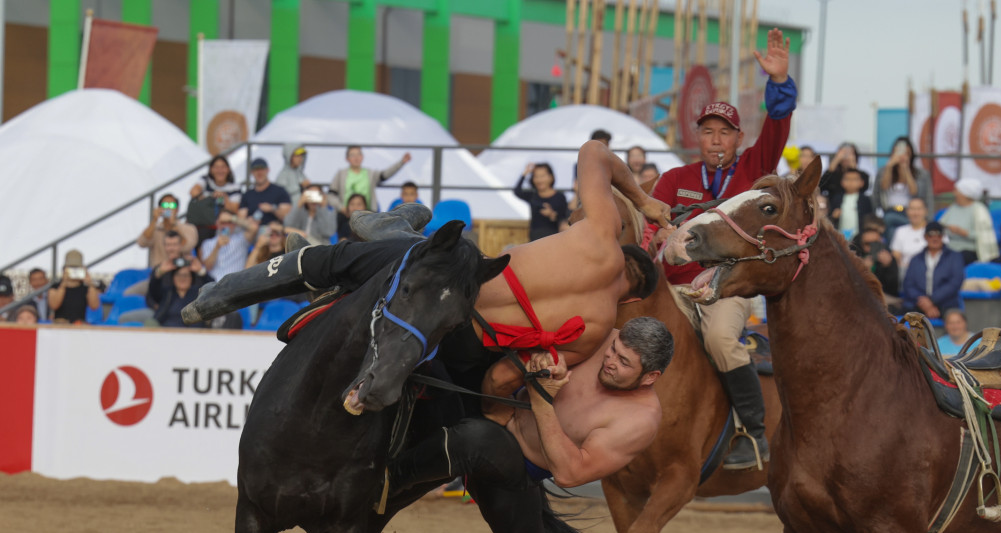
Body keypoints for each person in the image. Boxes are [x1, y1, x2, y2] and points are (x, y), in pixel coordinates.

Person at [183, 139, 674, 411]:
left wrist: (643, 198)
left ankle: (379, 236)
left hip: (449, 272)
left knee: (353, 264)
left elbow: (592, 151)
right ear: (633, 299)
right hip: (453, 331)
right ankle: (374, 243)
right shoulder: (596, 330)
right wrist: (495, 412)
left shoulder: (602, 233)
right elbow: (504, 378)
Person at [645, 27, 795, 470]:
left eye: (724, 132)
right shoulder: (674, 179)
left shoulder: (755, 168)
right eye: (707, 131)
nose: (715, 139)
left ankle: (753, 433)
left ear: (737, 138)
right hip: (672, 286)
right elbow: (651, 230)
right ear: (698, 138)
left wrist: (780, 85)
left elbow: (778, 124)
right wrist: (654, 237)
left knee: (721, 340)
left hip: (725, 288)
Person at [392, 318, 672, 494]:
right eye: (613, 350)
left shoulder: (640, 421)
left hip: (520, 459)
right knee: (444, 362)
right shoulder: (606, 337)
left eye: (624, 363)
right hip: (505, 403)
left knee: (475, 438)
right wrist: (547, 357)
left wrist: (542, 401)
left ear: (650, 377)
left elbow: (569, 474)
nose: (610, 361)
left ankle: (392, 479)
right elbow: (550, 344)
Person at [873, 136, 934, 241]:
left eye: (906, 153)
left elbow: (915, 192)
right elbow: (883, 187)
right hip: (889, 210)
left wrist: (905, 169)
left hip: (910, 213)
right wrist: (890, 165)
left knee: (889, 221)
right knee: (890, 226)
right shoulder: (883, 171)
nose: (902, 156)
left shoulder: (921, 174)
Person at [900, 221, 965, 318]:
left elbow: (955, 282)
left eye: (938, 235)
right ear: (925, 237)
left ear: (942, 237)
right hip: (919, 304)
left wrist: (931, 300)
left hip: (946, 303)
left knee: (954, 318)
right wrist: (922, 300)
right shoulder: (916, 259)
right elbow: (908, 284)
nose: (935, 238)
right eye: (931, 235)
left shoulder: (954, 257)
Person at [329, 146, 411, 213]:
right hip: (346, 215)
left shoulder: (370, 174)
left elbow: (385, 174)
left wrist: (401, 162)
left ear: (362, 157)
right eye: (352, 155)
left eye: (358, 154)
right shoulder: (341, 174)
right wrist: (341, 208)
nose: (356, 158)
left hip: (368, 214)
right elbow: (331, 195)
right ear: (347, 159)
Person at [940, 178, 999, 265]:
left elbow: (984, 236)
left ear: (965, 193)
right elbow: (941, 224)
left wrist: (964, 233)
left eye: (956, 191)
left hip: (970, 250)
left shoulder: (979, 210)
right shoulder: (954, 207)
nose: (954, 193)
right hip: (949, 247)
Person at [188, 155, 243, 243]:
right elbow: (193, 191)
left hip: (224, 224)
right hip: (204, 223)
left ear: (228, 169)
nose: (220, 170)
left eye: (223, 167)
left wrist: (224, 198)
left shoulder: (235, 188)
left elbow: (235, 209)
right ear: (211, 169)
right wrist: (210, 196)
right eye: (216, 167)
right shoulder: (205, 180)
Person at [148, 255, 213, 328]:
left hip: (194, 334)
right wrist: (160, 271)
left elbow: (214, 291)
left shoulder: (198, 294)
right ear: (173, 278)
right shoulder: (167, 293)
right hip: (167, 333)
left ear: (192, 278)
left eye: (186, 275)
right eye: (178, 275)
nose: (182, 278)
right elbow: (153, 289)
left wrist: (201, 271)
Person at [137, 193, 199, 267]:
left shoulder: (189, 228)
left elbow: (186, 247)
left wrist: (173, 225)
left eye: (172, 205)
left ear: (177, 209)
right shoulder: (155, 229)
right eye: (165, 205)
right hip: (160, 272)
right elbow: (142, 242)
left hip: (182, 271)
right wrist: (154, 220)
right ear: (159, 208)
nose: (168, 208)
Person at [513, 163, 570, 241]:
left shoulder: (560, 197)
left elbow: (564, 218)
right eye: (536, 176)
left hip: (553, 237)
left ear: (551, 177)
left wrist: (552, 215)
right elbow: (517, 191)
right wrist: (525, 173)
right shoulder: (533, 196)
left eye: (542, 176)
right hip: (535, 238)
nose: (539, 180)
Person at [851, 217, 899, 307]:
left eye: (875, 243)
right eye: (867, 244)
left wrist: (888, 267)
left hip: (883, 298)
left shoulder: (887, 256)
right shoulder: (852, 256)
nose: (871, 247)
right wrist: (862, 270)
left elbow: (893, 290)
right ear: (861, 243)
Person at [200, 209, 257, 281]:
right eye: (222, 222)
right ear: (217, 223)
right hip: (215, 284)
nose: (225, 225)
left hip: (236, 282)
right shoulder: (208, 243)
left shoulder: (241, 239)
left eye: (229, 222)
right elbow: (208, 267)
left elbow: (254, 228)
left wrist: (232, 218)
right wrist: (217, 247)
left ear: (234, 224)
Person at [47, 250, 101, 324]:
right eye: (71, 268)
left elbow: (94, 306)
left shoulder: (85, 288)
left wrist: (90, 284)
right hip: (60, 325)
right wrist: (63, 284)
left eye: (77, 269)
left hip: (79, 326)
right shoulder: (56, 286)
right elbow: (54, 305)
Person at [240, 158, 293, 227]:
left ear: (268, 170)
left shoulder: (279, 191)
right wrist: (248, 221)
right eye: (256, 170)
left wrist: (272, 209)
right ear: (252, 172)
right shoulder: (247, 195)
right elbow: (240, 219)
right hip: (253, 231)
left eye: (262, 169)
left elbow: (288, 218)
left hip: (275, 232)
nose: (259, 173)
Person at [889, 197, 931, 281]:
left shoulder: (934, 231)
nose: (915, 213)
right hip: (906, 273)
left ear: (926, 211)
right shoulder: (900, 231)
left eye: (919, 209)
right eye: (912, 209)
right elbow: (896, 256)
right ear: (907, 211)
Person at [819, 142, 861, 215]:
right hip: (833, 207)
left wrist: (853, 166)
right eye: (844, 153)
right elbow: (821, 185)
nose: (846, 157)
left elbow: (862, 185)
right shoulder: (833, 174)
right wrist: (836, 160)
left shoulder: (862, 174)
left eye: (850, 153)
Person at [832, 168, 872, 239]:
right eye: (847, 179)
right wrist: (834, 216)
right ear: (842, 182)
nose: (851, 182)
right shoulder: (837, 198)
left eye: (855, 179)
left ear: (862, 183)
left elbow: (869, 217)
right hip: (840, 235)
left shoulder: (865, 200)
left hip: (859, 236)